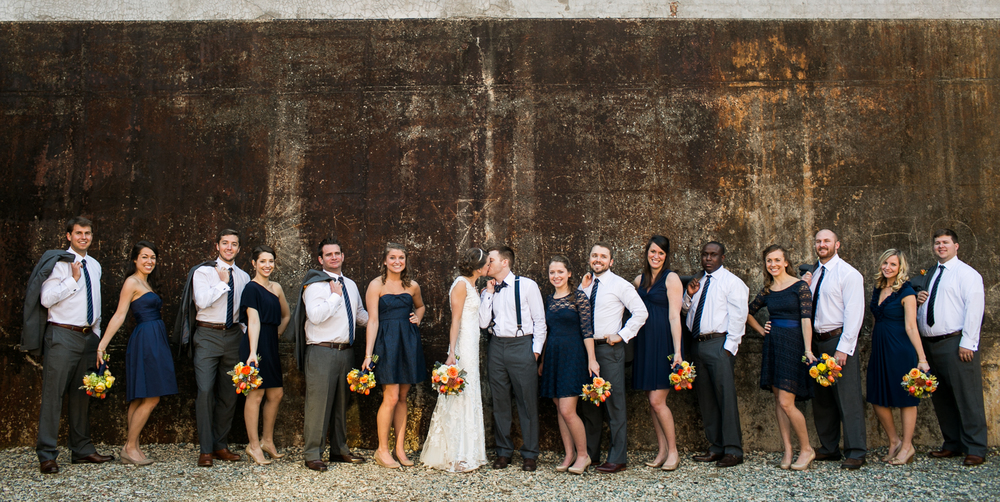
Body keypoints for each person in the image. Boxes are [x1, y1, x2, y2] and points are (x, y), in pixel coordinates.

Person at [30, 217, 114, 474]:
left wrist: (97, 340)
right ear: (69, 236)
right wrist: (72, 279)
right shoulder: (59, 264)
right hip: (62, 335)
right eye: (78, 233)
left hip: (89, 338)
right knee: (53, 395)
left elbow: (96, 304)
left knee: (82, 394)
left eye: (87, 233)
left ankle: (81, 449)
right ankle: (47, 454)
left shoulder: (95, 265)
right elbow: (46, 299)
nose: (83, 237)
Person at [96, 241, 178, 466]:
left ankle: (132, 446)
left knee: (140, 396)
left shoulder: (146, 282)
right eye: (144, 257)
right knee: (151, 397)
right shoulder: (131, 282)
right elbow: (119, 315)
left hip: (155, 338)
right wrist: (102, 345)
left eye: (153, 257)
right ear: (135, 259)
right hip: (146, 340)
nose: (149, 261)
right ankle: (130, 447)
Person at [173, 229, 251, 467]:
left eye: (234, 244)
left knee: (229, 394)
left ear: (239, 248)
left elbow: (244, 310)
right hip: (207, 335)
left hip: (233, 336)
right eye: (225, 243)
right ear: (217, 246)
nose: (229, 247)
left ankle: (220, 445)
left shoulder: (244, 276)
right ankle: (205, 450)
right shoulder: (203, 272)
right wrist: (222, 284)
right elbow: (202, 301)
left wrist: (245, 334)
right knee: (205, 391)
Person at [291, 238, 369, 472]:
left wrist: (384, 321)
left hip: (346, 352)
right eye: (328, 254)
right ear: (320, 259)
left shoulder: (351, 285)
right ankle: (312, 454)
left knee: (342, 404)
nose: (334, 257)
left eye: (337, 253)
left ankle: (339, 449)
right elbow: (315, 316)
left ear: (342, 256)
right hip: (321, 351)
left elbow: (359, 314)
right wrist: (334, 296)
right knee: (318, 404)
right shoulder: (315, 285)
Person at [916, 229, 987, 466]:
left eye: (945, 242)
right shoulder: (931, 273)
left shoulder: (967, 274)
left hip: (956, 343)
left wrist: (968, 342)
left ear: (956, 246)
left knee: (967, 396)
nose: (941, 246)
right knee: (942, 397)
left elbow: (974, 309)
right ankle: (952, 443)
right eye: (937, 243)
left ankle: (975, 447)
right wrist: (919, 299)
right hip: (931, 344)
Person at [579, 242, 648, 474]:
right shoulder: (585, 285)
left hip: (609, 350)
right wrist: (581, 288)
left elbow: (641, 312)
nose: (597, 259)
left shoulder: (620, 284)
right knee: (590, 403)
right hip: (586, 350)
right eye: (594, 255)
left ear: (611, 261)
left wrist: (622, 335)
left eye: (603, 256)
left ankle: (618, 458)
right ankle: (591, 454)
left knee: (614, 404)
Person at [746, 245, 816, 471]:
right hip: (774, 344)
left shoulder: (800, 286)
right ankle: (787, 449)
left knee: (787, 402)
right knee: (778, 399)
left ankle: (807, 449)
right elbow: (746, 312)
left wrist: (808, 350)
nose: (773, 264)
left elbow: (806, 319)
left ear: (786, 262)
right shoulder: (767, 290)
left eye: (777, 260)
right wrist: (761, 329)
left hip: (793, 345)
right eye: (769, 260)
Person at [802, 229, 867, 469]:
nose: (822, 244)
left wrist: (844, 349)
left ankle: (856, 451)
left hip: (837, 340)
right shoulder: (814, 273)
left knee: (847, 398)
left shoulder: (848, 274)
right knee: (822, 400)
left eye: (827, 241)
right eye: (818, 241)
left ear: (837, 244)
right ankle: (829, 447)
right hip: (816, 342)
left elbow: (854, 313)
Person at [421, 248, 491, 472]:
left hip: (472, 344)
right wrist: (452, 352)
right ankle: (455, 454)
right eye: (487, 263)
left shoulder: (473, 285)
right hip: (463, 345)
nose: (489, 267)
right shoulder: (461, 285)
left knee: (470, 392)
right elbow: (456, 320)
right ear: (478, 267)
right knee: (461, 395)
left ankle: (470, 451)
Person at [478, 245, 546, 471]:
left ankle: (530, 453)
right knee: (500, 402)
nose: (487, 264)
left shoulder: (527, 285)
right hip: (496, 346)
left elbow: (540, 321)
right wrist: (488, 294)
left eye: (491, 260)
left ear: (504, 262)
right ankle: (503, 451)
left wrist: (535, 352)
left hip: (522, 345)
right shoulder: (487, 290)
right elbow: (483, 323)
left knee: (527, 401)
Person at [683, 241, 748, 468]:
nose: (708, 259)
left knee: (725, 397)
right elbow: (685, 311)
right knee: (706, 398)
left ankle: (733, 450)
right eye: (705, 255)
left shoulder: (732, 283)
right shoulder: (697, 281)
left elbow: (739, 316)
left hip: (719, 344)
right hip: (698, 344)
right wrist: (688, 295)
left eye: (713, 255)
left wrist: (729, 348)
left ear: (722, 257)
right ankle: (716, 446)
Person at [363, 242, 427, 469]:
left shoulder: (413, 286)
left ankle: (399, 449)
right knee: (390, 397)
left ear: (405, 261)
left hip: (408, 342)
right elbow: (372, 321)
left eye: (401, 258)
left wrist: (418, 318)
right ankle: (382, 450)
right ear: (384, 261)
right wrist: (368, 355)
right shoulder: (376, 285)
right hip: (386, 343)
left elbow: (420, 307)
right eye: (392, 258)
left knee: (402, 397)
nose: (397, 261)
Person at [865, 249, 929, 466]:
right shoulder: (878, 288)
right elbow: (877, 319)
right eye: (885, 263)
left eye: (893, 264)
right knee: (876, 395)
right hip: (880, 348)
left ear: (901, 267)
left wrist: (922, 358)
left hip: (900, 349)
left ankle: (908, 446)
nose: (888, 267)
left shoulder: (907, 291)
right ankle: (894, 441)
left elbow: (911, 326)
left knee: (906, 398)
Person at [629, 236, 684, 471]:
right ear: (647, 252)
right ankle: (662, 451)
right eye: (653, 251)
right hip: (644, 342)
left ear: (666, 256)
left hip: (663, 343)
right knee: (651, 402)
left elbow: (675, 316)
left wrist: (678, 351)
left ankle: (673, 452)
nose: (656, 256)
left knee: (657, 400)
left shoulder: (671, 278)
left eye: (661, 253)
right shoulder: (638, 280)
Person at [539, 256, 598, 475]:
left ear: (569, 273)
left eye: (560, 272)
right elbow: (547, 332)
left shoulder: (578, 297)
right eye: (552, 272)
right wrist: (543, 361)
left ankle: (583, 455)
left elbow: (587, 331)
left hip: (573, 355)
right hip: (553, 356)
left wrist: (592, 359)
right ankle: (569, 454)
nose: (556, 276)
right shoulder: (549, 300)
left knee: (567, 409)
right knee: (558, 406)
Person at [239, 245, 291, 465]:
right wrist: (253, 351)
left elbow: (286, 316)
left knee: (276, 394)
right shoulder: (250, 289)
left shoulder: (276, 287)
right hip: (255, 345)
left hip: (270, 343)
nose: (267, 265)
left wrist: (276, 335)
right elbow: (253, 320)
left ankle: (267, 441)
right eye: (262, 261)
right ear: (254, 263)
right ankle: (253, 446)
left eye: (271, 261)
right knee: (256, 395)